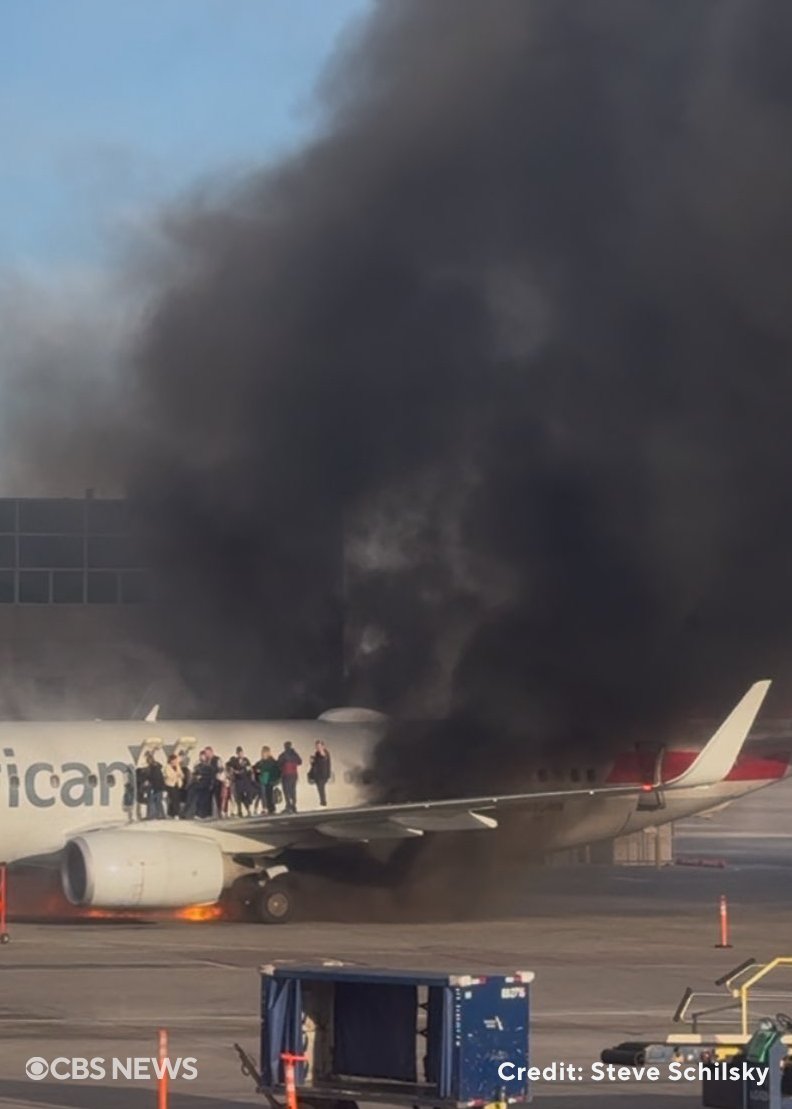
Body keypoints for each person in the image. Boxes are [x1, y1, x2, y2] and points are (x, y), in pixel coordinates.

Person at [226, 746, 254, 816]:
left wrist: (242, 771)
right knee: (239, 796)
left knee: (247, 796)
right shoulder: (234, 761)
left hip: (245, 780)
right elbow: (228, 764)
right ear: (237, 753)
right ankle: (239, 811)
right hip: (238, 781)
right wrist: (233, 770)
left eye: (241, 753)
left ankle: (248, 809)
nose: (240, 754)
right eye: (239, 753)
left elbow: (249, 768)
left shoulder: (246, 760)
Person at [254, 746, 280, 815]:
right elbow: (255, 767)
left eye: (264, 752)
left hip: (269, 779)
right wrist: (256, 770)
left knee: (269, 794)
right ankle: (267, 808)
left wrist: (277, 779)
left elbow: (276, 769)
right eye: (262, 752)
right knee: (264, 794)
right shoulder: (261, 762)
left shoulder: (271, 761)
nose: (262, 754)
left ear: (267, 753)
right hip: (264, 779)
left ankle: (270, 808)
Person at [277, 740, 303, 814]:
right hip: (294, 775)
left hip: (286, 775)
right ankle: (293, 805)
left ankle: (289, 805)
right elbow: (300, 762)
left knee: (286, 791)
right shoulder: (294, 754)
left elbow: (278, 764)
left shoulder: (283, 755)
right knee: (293, 790)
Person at [308, 740, 331, 807]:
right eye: (317, 746)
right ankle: (322, 802)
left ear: (323, 746)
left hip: (322, 774)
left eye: (319, 746)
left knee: (321, 788)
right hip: (317, 775)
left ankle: (323, 802)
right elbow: (315, 764)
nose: (317, 747)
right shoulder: (317, 753)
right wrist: (312, 761)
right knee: (320, 788)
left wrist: (321, 750)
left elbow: (324, 756)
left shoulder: (324, 752)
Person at [145, 752, 166, 820]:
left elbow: (154, 778)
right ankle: (160, 815)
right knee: (158, 801)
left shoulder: (153, 768)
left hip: (155, 786)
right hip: (159, 786)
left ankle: (152, 815)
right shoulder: (157, 767)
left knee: (152, 801)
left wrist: (149, 782)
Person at [163, 752, 184, 818]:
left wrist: (180, 775)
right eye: (174, 760)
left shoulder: (177, 766)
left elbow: (181, 774)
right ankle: (175, 813)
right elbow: (169, 776)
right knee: (173, 799)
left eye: (176, 760)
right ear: (171, 760)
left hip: (177, 784)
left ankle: (175, 813)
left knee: (177, 799)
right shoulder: (167, 767)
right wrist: (176, 775)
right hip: (170, 785)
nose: (175, 761)